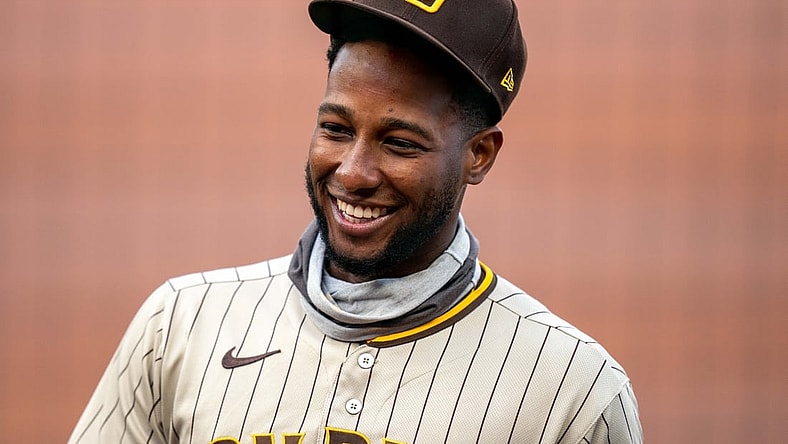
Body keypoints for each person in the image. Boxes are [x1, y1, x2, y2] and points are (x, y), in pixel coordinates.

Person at [70, 1, 642, 443]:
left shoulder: (573, 389)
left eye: (399, 143)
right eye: (337, 129)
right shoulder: (181, 326)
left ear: (479, 155)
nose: (353, 172)